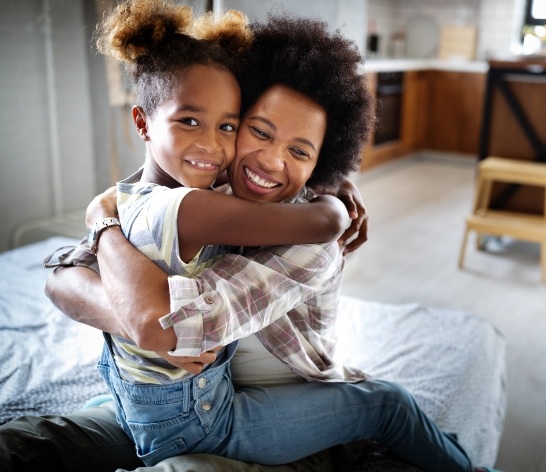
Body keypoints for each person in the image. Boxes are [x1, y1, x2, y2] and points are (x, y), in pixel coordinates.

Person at [0, 5, 498, 472]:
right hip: (187, 398)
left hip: (274, 425)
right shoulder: (204, 185)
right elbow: (63, 278)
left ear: (321, 162)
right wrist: (125, 301)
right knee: (33, 441)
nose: (270, 162)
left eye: (300, 152)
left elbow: (173, 327)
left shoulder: (309, 242)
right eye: (257, 132)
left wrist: (107, 231)